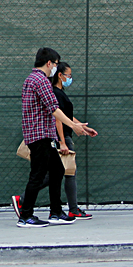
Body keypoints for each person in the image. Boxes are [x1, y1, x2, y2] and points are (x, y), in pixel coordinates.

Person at [14, 47, 94, 228]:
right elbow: (54, 109)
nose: (56, 69)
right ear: (49, 63)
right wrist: (73, 126)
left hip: (40, 134)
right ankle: (26, 215)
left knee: (57, 170)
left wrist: (75, 124)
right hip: (40, 134)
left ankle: (56, 212)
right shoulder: (41, 80)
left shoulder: (32, 79)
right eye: (56, 64)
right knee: (37, 175)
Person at [51, 61, 97, 219]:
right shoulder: (55, 93)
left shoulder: (60, 92)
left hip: (66, 136)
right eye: (68, 75)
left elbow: (67, 117)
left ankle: (73, 208)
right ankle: (23, 199)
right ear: (59, 75)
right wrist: (62, 141)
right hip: (62, 138)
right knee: (57, 173)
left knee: (68, 172)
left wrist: (83, 127)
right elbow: (57, 118)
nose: (70, 78)